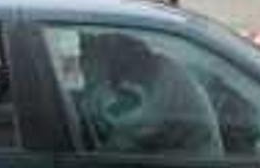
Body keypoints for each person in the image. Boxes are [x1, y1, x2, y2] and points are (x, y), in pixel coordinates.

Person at [77, 32, 222, 158]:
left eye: (86, 55)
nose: (81, 62)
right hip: (169, 161)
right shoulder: (129, 77)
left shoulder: (154, 78)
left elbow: (127, 137)